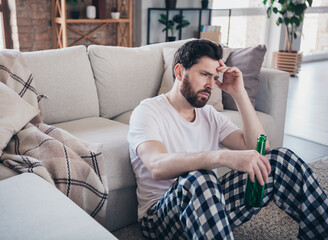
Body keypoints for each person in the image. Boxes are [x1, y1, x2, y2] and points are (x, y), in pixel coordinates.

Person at [127, 39, 328, 239]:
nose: (210, 85)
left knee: (279, 159)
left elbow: (260, 147)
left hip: (209, 206)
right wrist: (221, 156)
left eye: (214, 77)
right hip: (160, 218)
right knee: (200, 177)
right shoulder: (148, 111)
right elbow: (156, 166)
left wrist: (239, 94)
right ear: (179, 72)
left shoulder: (209, 114)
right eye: (204, 74)